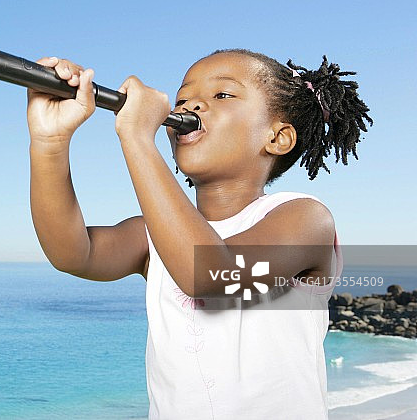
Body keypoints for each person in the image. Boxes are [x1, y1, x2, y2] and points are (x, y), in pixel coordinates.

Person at [26, 49, 373, 420]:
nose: (193, 107)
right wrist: (50, 142)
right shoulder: (155, 234)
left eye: (222, 95)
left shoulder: (303, 218)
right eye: (182, 99)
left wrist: (138, 139)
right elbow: (73, 253)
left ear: (278, 138)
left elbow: (206, 273)